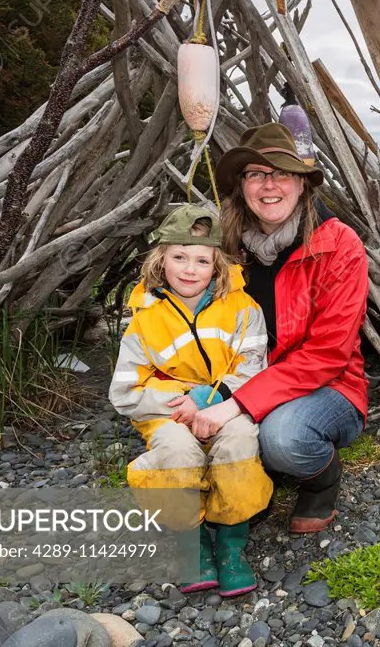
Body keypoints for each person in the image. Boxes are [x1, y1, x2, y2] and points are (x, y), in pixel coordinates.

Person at [194, 122, 369, 534]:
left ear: (303, 184)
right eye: (256, 173)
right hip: (245, 373)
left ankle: (321, 479)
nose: (268, 185)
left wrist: (235, 405)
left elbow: (328, 355)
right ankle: (247, 487)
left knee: (281, 440)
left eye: (282, 173)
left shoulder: (339, 245)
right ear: (242, 185)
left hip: (328, 385)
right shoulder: (227, 247)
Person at [109, 204, 272, 597]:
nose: (189, 268)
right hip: (167, 411)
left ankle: (231, 545)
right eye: (179, 257)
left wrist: (205, 399)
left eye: (202, 260)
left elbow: (254, 368)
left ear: (217, 266)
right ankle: (192, 541)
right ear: (160, 260)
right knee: (177, 450)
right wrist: (180, 399)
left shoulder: (243, 309)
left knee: (239, 444)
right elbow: (124, 392)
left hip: (225, 403)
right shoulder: (145, 319)